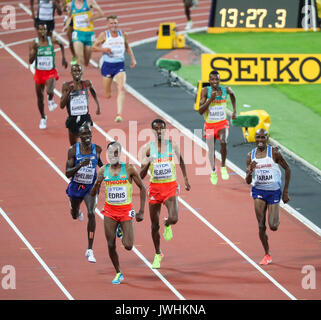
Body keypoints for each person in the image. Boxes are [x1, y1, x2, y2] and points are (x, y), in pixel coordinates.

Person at [90, 141, 146, 284]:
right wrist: (97, 184)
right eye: (110, 152)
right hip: (110, 211)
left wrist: (141, 211)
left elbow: (143, 188)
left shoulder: (129, 169)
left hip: (125, 211)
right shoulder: (102, 170)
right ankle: (118, 272)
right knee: (110, 244)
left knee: (128, 246)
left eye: (115, 152)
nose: (112, 155)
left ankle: (121, 228)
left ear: (119, 153)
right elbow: (92, 193)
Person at [140, 119, 191, 269]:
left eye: (161, 129)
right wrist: (148, 161)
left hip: (170, 186)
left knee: (174, 218)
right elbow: (141, 175)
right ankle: (157, 254)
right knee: (154, 226)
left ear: (165, 130)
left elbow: (181, 160)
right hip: (155, 188)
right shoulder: (147, 149)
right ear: (152, 131)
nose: (159, 131)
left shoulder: (172, 145)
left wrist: (186, 178)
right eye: (156, 129)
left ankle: (167, 224)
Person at [245, 128, 291, 265]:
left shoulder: (274, 153)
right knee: (261, 226)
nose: (260, 140)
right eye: (258, 137)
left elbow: (288, 169)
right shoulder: (250, 156)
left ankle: (275, 212)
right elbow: (247, 181)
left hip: (274, 192)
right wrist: (250, 171)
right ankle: (267, 254)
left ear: (267, 138)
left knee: (273, 226)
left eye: (262, 137)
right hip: (259, 190)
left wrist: (285, 191)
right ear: (255, 138)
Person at [65, 123, 103, 263]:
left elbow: (100, 164)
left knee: (92, 213)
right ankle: (74, 209)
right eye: (84, 134)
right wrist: (79, 165)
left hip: (90, 188)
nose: (87, 136)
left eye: (89, 134)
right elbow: (67, 173)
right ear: (79, 136)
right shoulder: (73, 151)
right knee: (75, 215)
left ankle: (90, 249)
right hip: (76, 186)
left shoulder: (97, 149)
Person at [92, 15, 137, 123]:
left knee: (121, 88)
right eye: (111, 23)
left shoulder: (123, 34)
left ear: (118, 24)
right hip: (107, 66)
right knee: (107, 94)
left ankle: (119, 114)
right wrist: (103, 49)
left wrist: (132, 58)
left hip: (119, 65)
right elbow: (93, 47)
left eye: (115, 23)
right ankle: (110, 88)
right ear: (108, 25)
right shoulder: (104, 35)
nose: (114, 25)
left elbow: (127, 46)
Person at [198, 69, 236, 185]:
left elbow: (233, 95)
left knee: (223, 141)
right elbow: (200, 111)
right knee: (211, 148)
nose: (215, 81)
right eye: (212, 79)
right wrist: (210, 99)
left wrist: (234, 111)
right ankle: (213, 171)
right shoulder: (205, 91)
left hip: (222, 123)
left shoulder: (226, 90)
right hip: (209, 125)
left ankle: (223, 167)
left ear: (220, 80)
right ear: (209, 81)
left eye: (217, 79)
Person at [29, 23, 68, 130]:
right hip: (39, 72)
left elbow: (61, 44)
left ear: (47, 30)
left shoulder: (52, 40)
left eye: (44, 29)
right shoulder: (34, 43)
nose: (43, 32)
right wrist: (35, 51)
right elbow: (30, 60)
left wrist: (63, 58)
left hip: (50, 71)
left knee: (50, 89)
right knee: (39, 97)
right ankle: (43, 117)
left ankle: (50, 98)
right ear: (37, 31)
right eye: (40, 29)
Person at [60, 64, 101, 145]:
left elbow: (93, 92)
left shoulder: (87, 83)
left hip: (85, 117)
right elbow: (61, 105)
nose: (77, 73)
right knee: (73, 146)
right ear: (71, 73)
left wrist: (98, 105)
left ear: (82, 72)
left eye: (79, 71)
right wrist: (68, 92)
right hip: (72, 118)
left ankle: (87, 154)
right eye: (74, 71)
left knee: (86, 140)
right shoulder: (66, 85)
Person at [62, 0, 103, 68]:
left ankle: (84, 63)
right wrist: (66, 25)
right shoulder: (71, 5)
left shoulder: (90, 2)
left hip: (89, 34)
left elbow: (101, 14)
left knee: (86, 61)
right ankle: (80, 78)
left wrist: (91, 18)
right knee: (80, 59)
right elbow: (70, 16)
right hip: (77, 33)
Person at [62, 0, 76, 64]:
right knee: (71, 42)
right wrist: (65, 7)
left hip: (78, 20)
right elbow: (63, 9)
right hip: (70, 20)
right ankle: (74, 56)